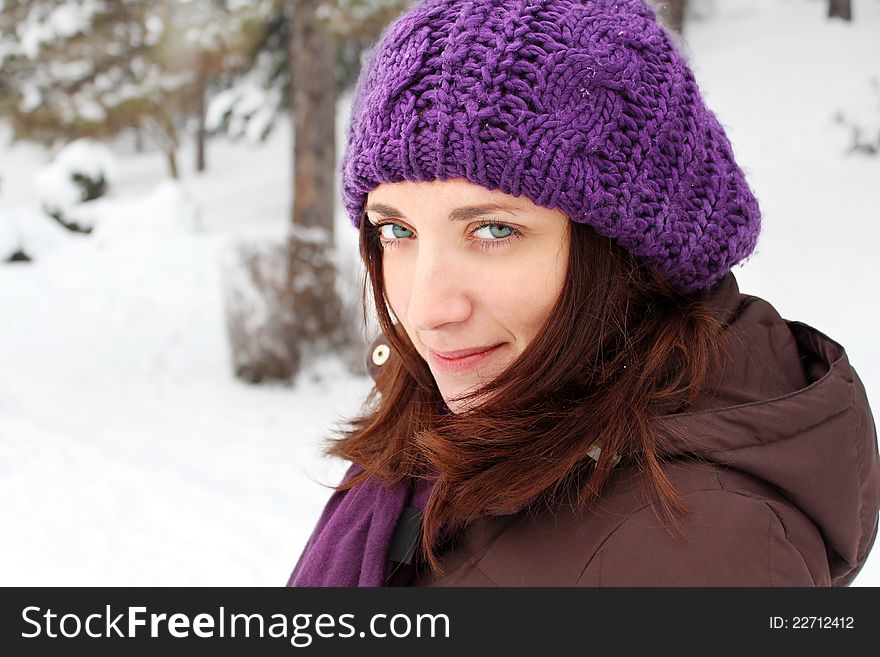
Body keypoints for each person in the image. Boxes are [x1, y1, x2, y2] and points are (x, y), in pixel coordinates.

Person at [287, 0, 879, 587]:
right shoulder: (428, 429)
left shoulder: (707, 554)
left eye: (495, 230)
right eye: (397, 231)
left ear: (626, 250)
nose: (425, 310)